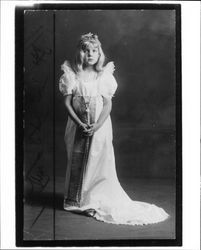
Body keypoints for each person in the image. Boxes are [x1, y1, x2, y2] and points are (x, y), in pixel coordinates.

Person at [59, 33, 169, 225]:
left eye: (94, 50)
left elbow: (107, 105)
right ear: (80, 53)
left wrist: (97, 125)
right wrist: (79, 123)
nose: (90, 54)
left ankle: (95, 198)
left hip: (99, 127)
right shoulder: (72, 76)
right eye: (86, 51)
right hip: (77, 126)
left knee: (97, 160)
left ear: (99, 53)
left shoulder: (104, 76)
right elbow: (67, 103)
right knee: (78, 159)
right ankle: (78, 198)